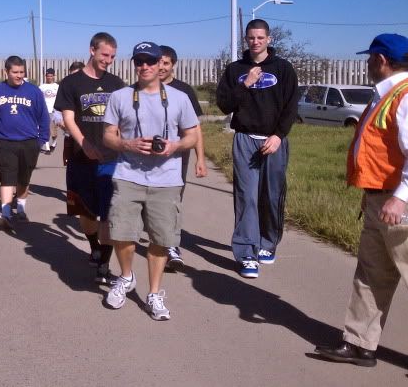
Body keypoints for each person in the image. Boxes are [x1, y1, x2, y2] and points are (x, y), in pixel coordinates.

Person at [314, 33, 408, 367]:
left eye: (369, 58)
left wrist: (400, 198)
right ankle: (359, 345)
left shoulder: (404, 96)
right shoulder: (384, 95)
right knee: (370, 275)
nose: (367, 64)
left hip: (398, 204)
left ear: (381, 60)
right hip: (379, 200)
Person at [102, 41, 199, 320]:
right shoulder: (120, 97)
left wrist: (174, 146)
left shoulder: (180, 98)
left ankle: (154, 293)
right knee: (121, 232)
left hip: (166, 179)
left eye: (150, 61)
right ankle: (126, 276)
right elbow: (107, 135)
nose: (144, 66)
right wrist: (128, 144)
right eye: (139, 62)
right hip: (128, 174)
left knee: (161, 237)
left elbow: (192, 135)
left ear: (160, 63)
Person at [216, 19, 299, 279]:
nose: (256, 42)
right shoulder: (235, 70)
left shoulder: (283, 69)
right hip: (245, 139)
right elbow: (224, 105)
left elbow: (291, 106)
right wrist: (246, 84)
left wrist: (278, 135)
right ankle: (246, 253)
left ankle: (267, 242)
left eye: (260, 37)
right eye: (251, 38)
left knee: (271, 196)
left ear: (269, 39)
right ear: (246, 39)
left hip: (274, 141)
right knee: (247, 196)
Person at [54, 33, 125, 283]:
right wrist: (84, 143)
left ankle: (104, 264)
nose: (108, 60)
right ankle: (94, 245)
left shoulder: (117, 84)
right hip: (81, 158)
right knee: (86, 214)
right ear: (92, 50)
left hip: (111, 159)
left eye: (113, 57)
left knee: (109, 213)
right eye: (105, 55)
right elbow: (68, 119)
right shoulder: (71, 83)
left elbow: (124, 119)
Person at [0, 56, 49, 229]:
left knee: (23, 179)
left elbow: (43, 118)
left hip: (29, 142)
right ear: (6, 71)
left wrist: (41, 141)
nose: (19, 76)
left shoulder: (33, 91)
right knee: (6, 178)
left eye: (22, 72)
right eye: (15, 72)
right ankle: (5, 214)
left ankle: (20, 209)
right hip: (4, 143)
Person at [158, 45, 207, 269]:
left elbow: (195, 128)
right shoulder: (143, 88)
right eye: (158, 62)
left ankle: (171, 246)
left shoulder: (184, 91)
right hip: (146, 157)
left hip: (177, 156)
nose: (161, 67)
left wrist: (200, 158)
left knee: (173, 201)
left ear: (173, 65)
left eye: (166, 63)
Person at [61, 61, 85, 166]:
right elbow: (57, 111)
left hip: (89, 137)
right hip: (70, 136)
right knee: (72, 167)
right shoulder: (66, 89)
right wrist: (60, 121)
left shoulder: (91, 89)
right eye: (72, 76)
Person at [38, 68, 59, 154]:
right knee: (45, 129)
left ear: (54, 76)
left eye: (51, 76)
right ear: (45, 76)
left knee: (53, 131)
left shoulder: (57, 87)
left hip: (54, 111)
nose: (49, 77)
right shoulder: (41, 87)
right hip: (44, 111)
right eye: (48, 76)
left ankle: (54, 143)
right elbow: (38, 98)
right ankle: (47, 148)